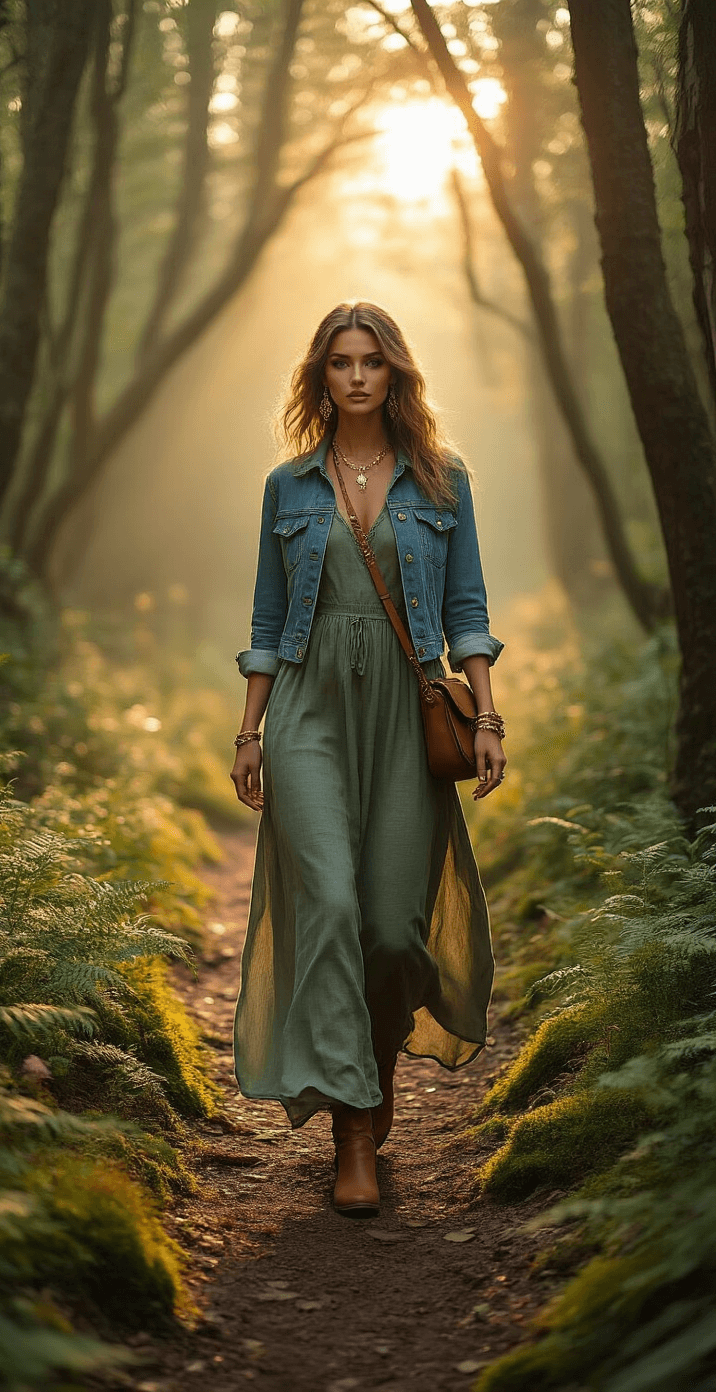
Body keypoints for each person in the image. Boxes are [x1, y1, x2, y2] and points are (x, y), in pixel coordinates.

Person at [230, 302, 505, 1218]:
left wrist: (489, 716)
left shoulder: (442, 481)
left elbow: (467, 606)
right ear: (320, 376)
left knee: (391, 928)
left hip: (404, 709)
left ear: (396, 375)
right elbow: (269, 621)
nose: (356, 376)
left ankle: (373, 1069)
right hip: (309, 711)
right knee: (335, 906)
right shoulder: (288, 486)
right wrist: (249, 732)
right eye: (341, 362)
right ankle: (354, 1132)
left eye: (372, 362)